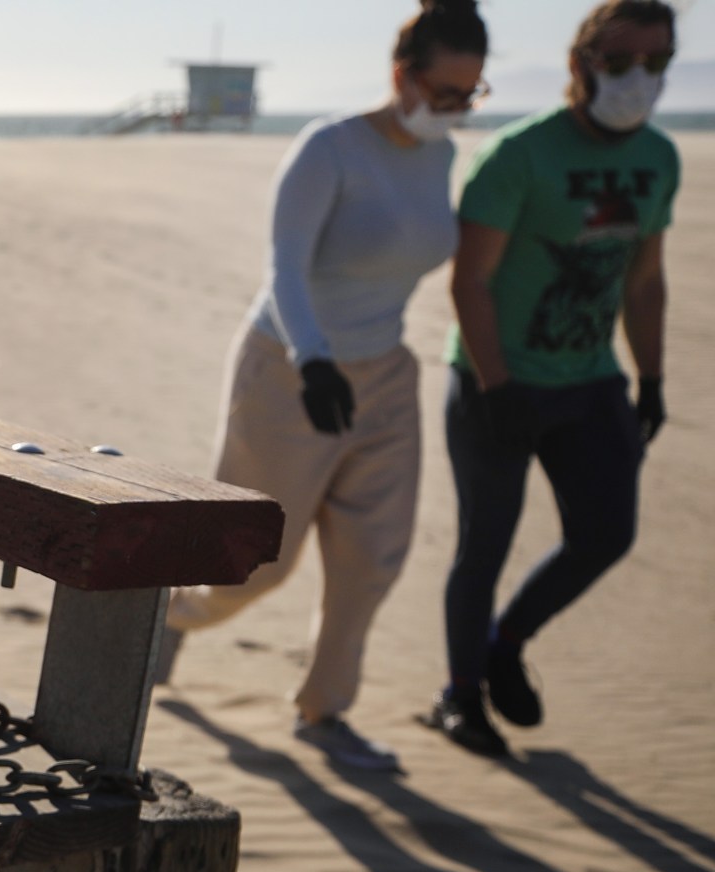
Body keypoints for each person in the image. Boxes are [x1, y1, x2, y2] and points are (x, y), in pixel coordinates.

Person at [160, 0, 490, 773]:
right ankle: (169, 615)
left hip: (386, 375)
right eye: (444, 93)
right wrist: (312, 360)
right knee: (257, 564)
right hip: (289, 369)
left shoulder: (441, 156)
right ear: (402, 76)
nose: (455, 111)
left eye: (470, 97)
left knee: (373, 558)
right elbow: (286, 269)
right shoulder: (330, 149)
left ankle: (325, 709)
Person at [426, 0, 679, 756]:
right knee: (485, 545)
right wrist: (497, 387)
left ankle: (507, 643)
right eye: (622, 61)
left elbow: (645, 282)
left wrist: (652, 379)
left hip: (592, 382)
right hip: (494, 383)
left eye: (657, 62)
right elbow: (470, 283)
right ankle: (460, 694)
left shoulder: (659, 159)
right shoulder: (518, 156)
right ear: (582, 64)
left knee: (605, 534)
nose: (639, 78)